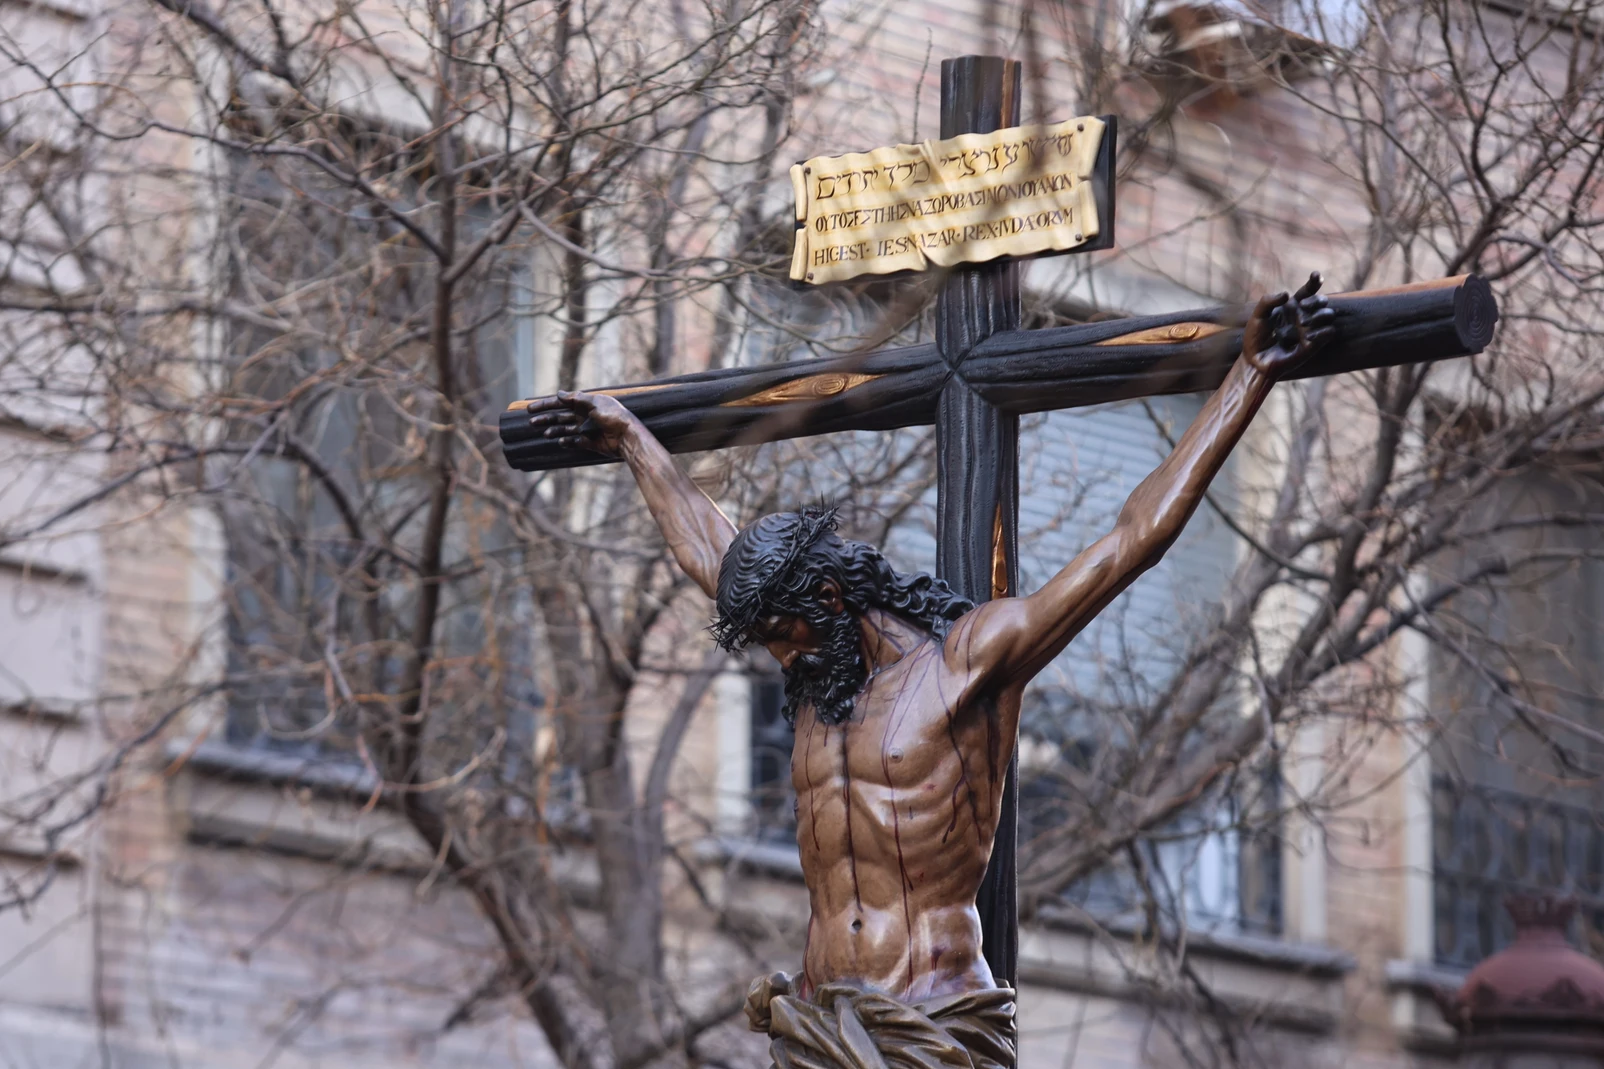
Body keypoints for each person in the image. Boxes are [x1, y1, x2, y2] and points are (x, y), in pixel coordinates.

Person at [528, 275, 1336, 1069]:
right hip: (819, 1027)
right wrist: (632, 437)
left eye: (785, 630)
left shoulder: (969, 665)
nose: (780, 653)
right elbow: (710, 549)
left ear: (832, 594)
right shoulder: (817, 668)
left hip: (933, 1027)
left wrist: (1249, 377)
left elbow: (1131, 540)